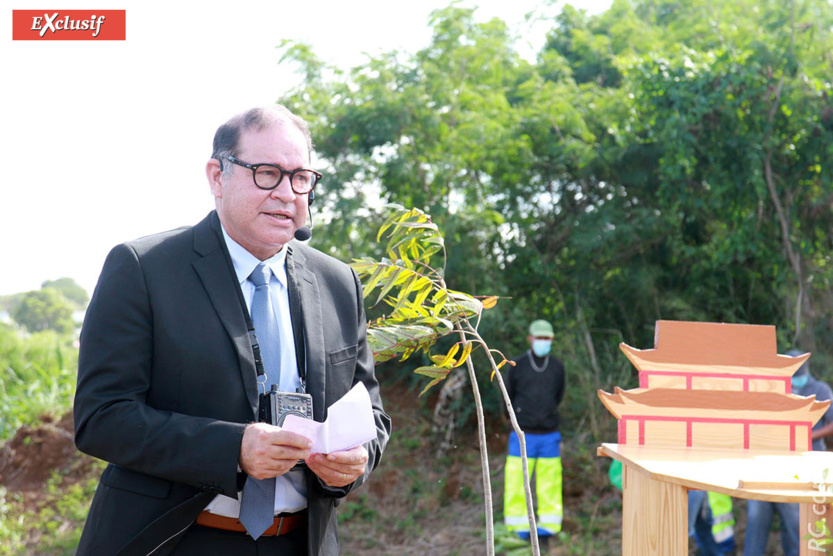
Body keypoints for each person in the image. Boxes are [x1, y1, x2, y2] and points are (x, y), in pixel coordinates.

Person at [73, 105, 391, 555]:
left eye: (301, 177)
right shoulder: (144, 269)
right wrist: (232, 449)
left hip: (299, 541)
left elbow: (372, 413)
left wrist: (356, 460)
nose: (287, 193)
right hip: (175, 539)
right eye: (267, 173)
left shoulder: (338, 283)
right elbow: (101, 417)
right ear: (217, 177)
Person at [743, 349, 833, 556]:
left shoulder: (819, 389)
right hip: (766, 467)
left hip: (803, 469)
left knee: (795, 523)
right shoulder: (773, 391)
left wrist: (808, 435)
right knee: (757, 518)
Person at [502, 319, 565, 542]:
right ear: (530, 338)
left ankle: (548, 527)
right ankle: (517, 527)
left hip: (549, 434)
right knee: (516, 480)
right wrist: (514, 422)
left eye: (547, 338)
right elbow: (507, 397)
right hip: (522, 435)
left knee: (551, 481)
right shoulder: (516, 365)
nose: (543, 341)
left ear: (552, 339)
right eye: (539, 337)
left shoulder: (557, 366)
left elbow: (558, 396)